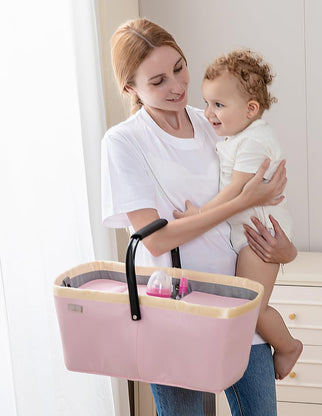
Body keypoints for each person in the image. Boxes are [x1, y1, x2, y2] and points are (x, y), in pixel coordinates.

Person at [101, 18, 297, 416]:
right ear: (130, 88)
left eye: (179, 67)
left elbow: (260, 206)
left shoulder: (215, 122)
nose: (176, 85)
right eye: (157, 81)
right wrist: (241, 201)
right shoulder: (124, 142)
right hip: (174, 313)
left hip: (240, 306)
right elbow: (155, 238)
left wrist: (286, 250)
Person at [174, 49, 303, 380]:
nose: (208, 113)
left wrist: (197, 214)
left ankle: (289, 346)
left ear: (250, 109)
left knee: (252, 309)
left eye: (218, 105)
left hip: (260, 238)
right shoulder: (236, 136)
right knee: (246, 307)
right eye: (207, 103)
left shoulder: (255, 141)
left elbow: (239, 193)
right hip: (246, 235)